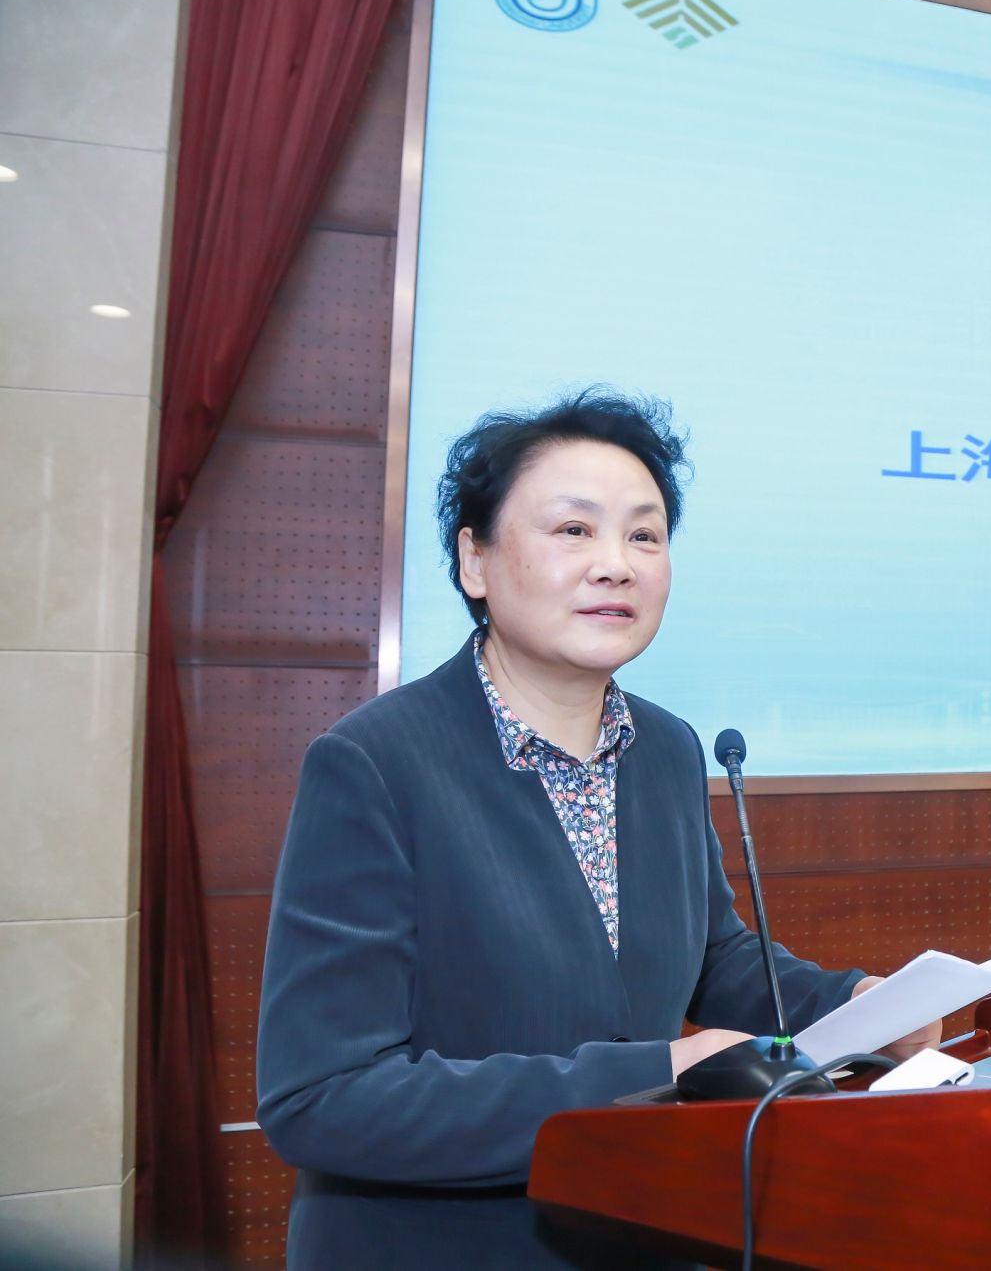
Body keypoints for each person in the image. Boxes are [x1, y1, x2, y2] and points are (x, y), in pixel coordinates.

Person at [255, 390, 938, 1267]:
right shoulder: (374, 763)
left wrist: (855, 1006)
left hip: (644, 1227)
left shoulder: (666, 747)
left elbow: (712, 958)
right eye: (574, 530)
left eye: (644, 535)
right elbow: (323, 1096)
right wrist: (656, 1072)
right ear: (474, 559)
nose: (616, 565)